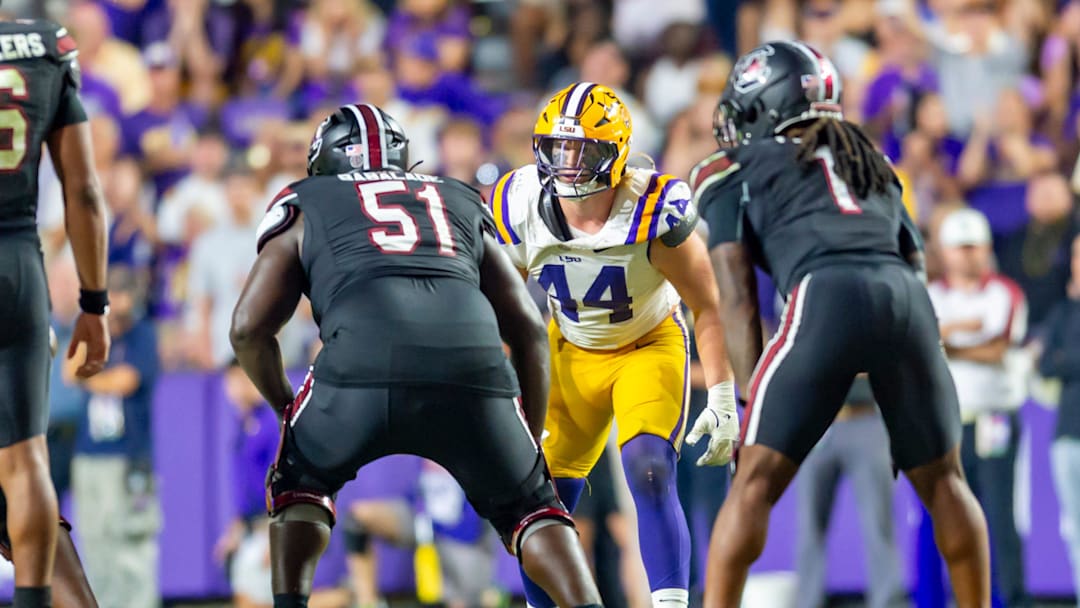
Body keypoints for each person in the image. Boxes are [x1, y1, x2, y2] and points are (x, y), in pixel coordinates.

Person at [230, 103, 603, 608]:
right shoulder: (456, 196)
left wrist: (285, 408)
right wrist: (528, 440)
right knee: (533, 506)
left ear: (323, 163)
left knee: (299, 485)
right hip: (475, 369)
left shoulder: (307, 199)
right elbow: (530, 331)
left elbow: (248, 329)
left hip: (357, 367)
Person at [689, 41, 991, 608]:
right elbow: (913, 257)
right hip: (906, 299)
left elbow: (735, 293)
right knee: (947, 482)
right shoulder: (869, 158)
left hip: (824, 291)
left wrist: (750, 400)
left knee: (752, 482)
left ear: (766, 105)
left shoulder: (729, 168)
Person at [491, 82, 739, 608]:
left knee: (649, 467)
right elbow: (499, 299)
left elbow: (708, 303)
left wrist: (721, 394)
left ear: (617, 153)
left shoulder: (653, 210)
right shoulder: (519, 204)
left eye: (582, 151)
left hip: (646, 345)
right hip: (567, 350)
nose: (567, 164)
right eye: (558, 148)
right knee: (541, 498)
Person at [0, 14, 109, 608]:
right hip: (17, 265)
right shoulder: (42, 45)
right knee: (24, 462)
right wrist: (95, 304)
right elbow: (85, 190)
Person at [928, 207, 1030, 608]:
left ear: (987, 248)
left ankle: (1008, 600)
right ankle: (954, 598)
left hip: (994, 417)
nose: (968, 255)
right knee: (950, 517)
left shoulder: (1004, 292)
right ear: (945, 251)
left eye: (974, 247)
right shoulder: (932, 295)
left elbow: (996, 348)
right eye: (960, 247)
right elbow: (922, 344)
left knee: (999, 514)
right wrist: (958, 334)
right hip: (947, 424)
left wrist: (946, 340)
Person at [1039, 234, 1080, 608]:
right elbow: (1045, 362)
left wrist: (1067, 358)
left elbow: (1059, 359)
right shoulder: (1065, 312)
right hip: (1068, 434)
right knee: (1076, 531)